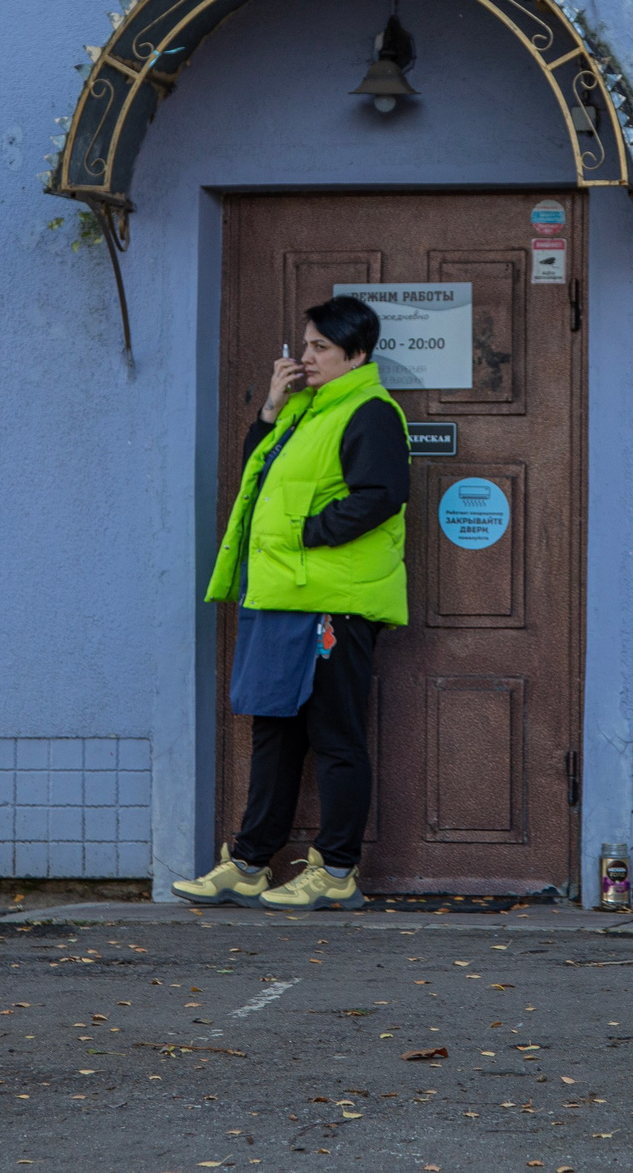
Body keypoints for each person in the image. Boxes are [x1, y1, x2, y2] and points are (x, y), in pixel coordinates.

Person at [172, 294, 411, 911]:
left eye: (320, 348)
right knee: (274, 729)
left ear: (356, 353)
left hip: (334, 600)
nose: (305, 356)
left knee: (335, 736)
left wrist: (306, 531)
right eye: (305, 345)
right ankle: (251, 863)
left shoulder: (370, 410)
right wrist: (271, 408)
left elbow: (382, 494)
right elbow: (260, 472)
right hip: (281, 594)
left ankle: (336, 871)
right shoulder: (305, 410)